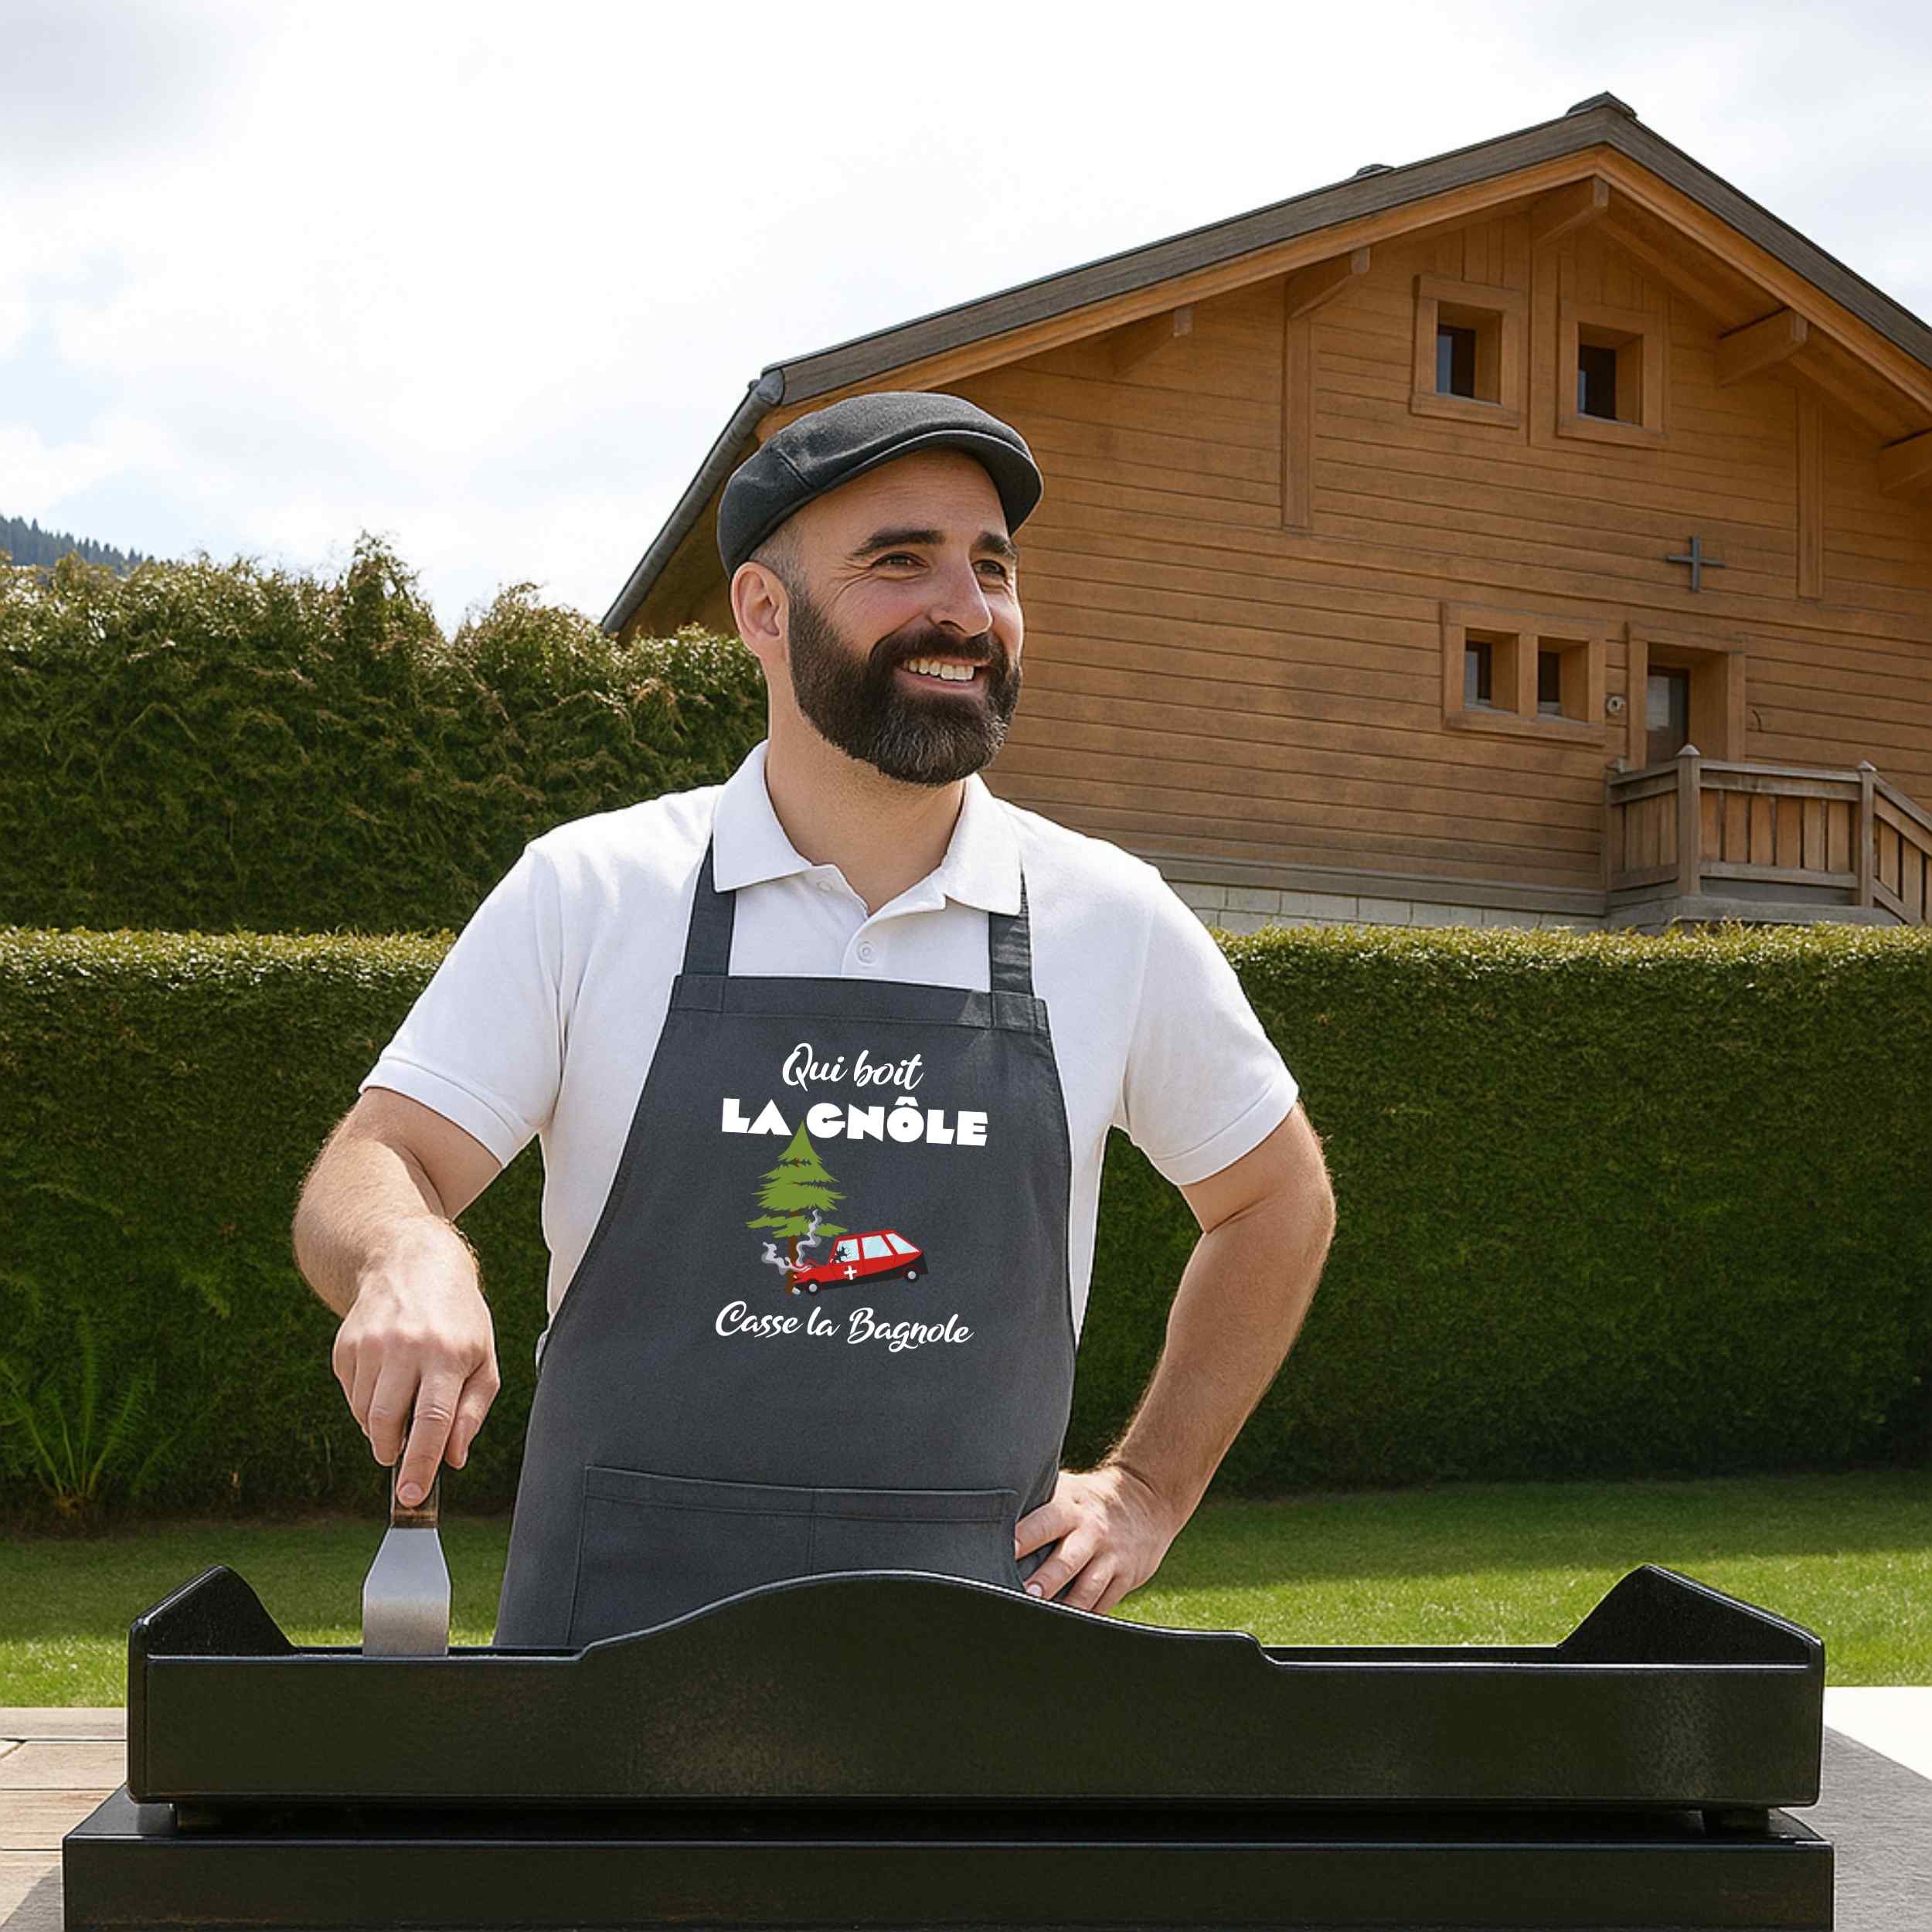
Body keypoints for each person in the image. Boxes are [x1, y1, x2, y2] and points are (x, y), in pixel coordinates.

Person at [291, 390, 1336, 1647]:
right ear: (764, 611)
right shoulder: (594, 889)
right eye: (902, 561)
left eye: (991, 566)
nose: (966, 606)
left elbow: (1277, 1201)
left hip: (973, 1678)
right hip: (603, 1681)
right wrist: (409, 1253)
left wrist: (1149, 1488)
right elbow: (372, 1163)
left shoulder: (1109, 918)